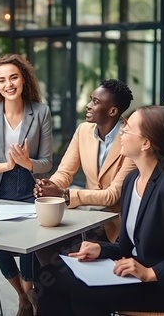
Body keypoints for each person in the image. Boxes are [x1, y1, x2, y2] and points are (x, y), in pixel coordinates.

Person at [35, 106, 164, 315]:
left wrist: (149, 272)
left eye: (127, 128)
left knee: (83, 293)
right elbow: (128, 247)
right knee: (50, 277)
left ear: (146, 143)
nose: (121, 133)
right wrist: (102, 249)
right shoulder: (132, 180)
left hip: (163, 285)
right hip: (131, 271)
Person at [0, 53, 53, 316]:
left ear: (24, 79)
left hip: (29, 188)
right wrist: (5, 166)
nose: (8, 84)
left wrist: (27, 163)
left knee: (30, 243)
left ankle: (29, 290)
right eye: (1, 80)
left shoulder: (41, 112)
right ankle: (22, 296)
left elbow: (47, 163)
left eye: (14, 77)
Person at [34, 79, 136, 243]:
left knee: (58, 242)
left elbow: (112, 196)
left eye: (95, 102)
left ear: (112, 111)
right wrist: (49, 187)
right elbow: (65, 172)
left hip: (116, 221)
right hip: (86, 214)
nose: (88, 105)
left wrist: (64, 194)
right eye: (91, 99)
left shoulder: (131, 138)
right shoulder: (83, 130)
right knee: (40, 239)